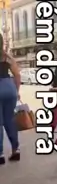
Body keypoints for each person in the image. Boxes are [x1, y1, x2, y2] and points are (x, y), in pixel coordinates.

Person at [0, 33, 21, 164]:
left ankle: (0, 154)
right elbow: (17, 75)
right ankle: (15, 149)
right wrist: (16, 91)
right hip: (9, 87)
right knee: (10, 120)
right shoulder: (7, 57)